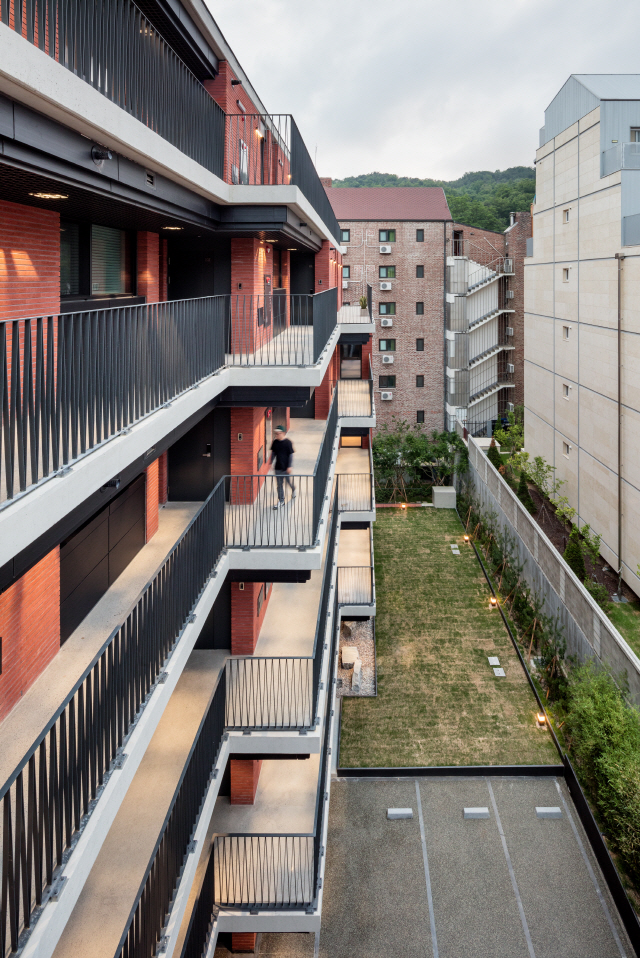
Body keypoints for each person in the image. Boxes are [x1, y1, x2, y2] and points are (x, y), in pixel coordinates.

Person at [270, 425, 296, 508]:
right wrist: (270, 463)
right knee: (279, 485)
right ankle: (281, 501)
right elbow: (273, 453)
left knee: (288, 482)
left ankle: (293, 489)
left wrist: (289, 466)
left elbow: (291, 455)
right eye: (276, 433)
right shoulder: (275, 442)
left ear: (283, 433)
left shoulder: (288, 442)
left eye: (279, 433)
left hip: (286, 468)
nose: (277, 435)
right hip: (278, 467)